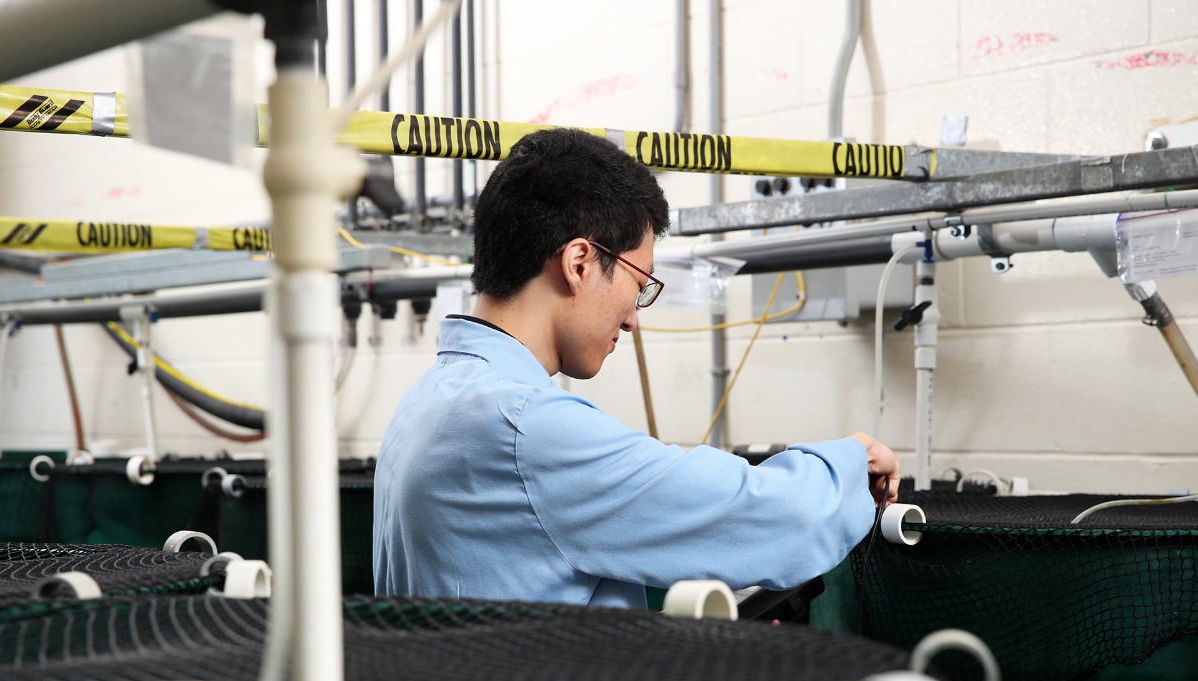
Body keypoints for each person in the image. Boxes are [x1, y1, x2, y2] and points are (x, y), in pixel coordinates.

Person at [373, 127, 900, 608]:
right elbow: (774, 517)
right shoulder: (524, 426)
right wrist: (851, 464)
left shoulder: (430, 399)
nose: (631, 319)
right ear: (579, 263)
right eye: (637, 282)